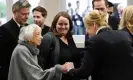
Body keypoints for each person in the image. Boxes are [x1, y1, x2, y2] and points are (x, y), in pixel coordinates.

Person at [65, 10, 133, 80]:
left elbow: (84, 73)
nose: (86, 32)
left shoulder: (93, 41)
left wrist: (70, 70)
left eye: (87, 27)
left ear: (94, 25)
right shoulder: (125, 35)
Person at [38, 11, 83, 80]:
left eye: (66, 24)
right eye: (60, 24)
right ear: (55, 24)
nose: (63, 27)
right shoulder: (48, 38)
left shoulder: (72, 38)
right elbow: (41, 64)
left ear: (70, 25)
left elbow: (80, 60)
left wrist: (73, 64)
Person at [0, 0, 30, 79]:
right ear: (14, 12)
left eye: (28, 13)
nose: (27, 17)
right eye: (23, 14)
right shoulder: (4, 29)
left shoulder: (29, 28)